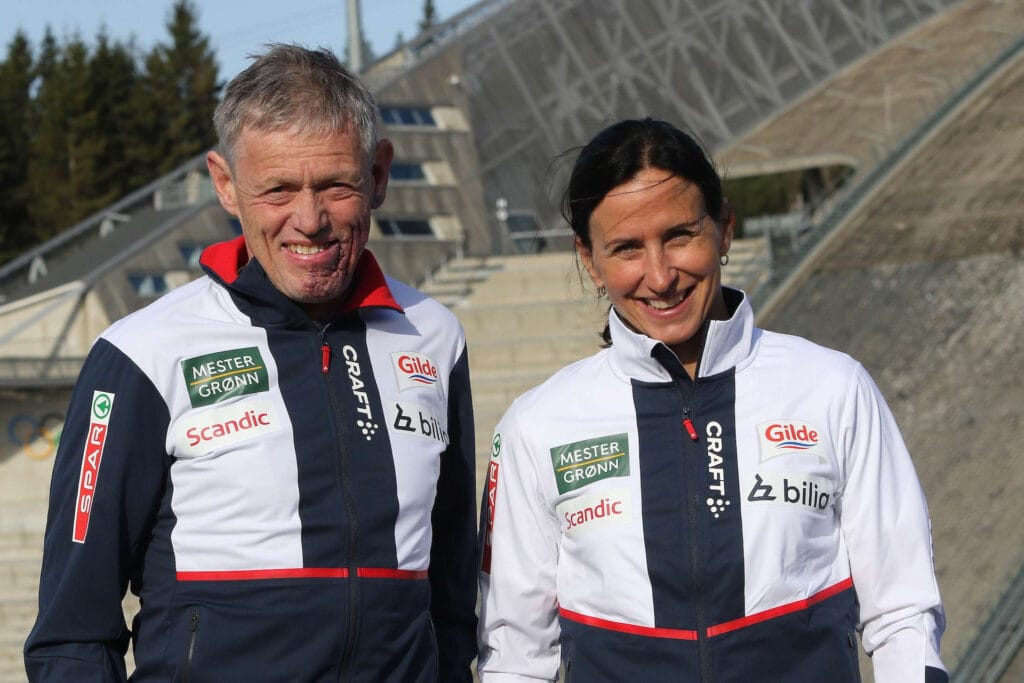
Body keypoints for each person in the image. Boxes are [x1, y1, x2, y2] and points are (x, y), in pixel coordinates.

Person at [25, 44, 478, 682]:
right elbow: (71, 636)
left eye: (336, 185)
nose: (309, 220)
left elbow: (453, 600)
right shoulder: (141, 353)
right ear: (226, 184)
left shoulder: (434, 335)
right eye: (278, 189)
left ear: (378, 174)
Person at [477, 117, 947, 682]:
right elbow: (515, 659)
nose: (660, 276)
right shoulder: (536, 426)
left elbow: (903, 614)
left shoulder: (834, 388)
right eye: (627, 248)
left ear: (724, 229)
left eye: (680, 236)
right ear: (589, 260)